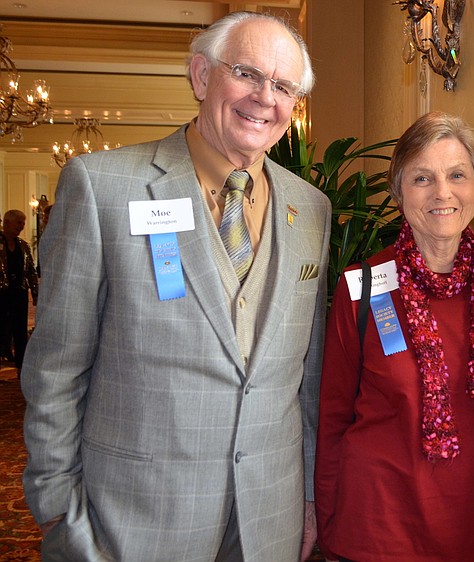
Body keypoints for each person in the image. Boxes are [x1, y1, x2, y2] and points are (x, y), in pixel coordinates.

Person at [21, 11, 331, 562]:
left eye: (283, 86)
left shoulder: (311, 209)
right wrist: (57, 510)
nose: (265, 98)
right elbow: (56, 370)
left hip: (268, 519)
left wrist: (306, 499)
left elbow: (305, 379)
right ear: (200, 76)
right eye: (247, 73)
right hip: (133, 522)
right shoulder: (103, 188)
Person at [315, 111, 474, 562]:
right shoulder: (362, 285)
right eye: (422, 178)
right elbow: (332, 417)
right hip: (382, 531)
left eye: (457, 175)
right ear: (397, 192)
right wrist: (326, 518)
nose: (443, 192)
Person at [0, 209, 38, 376]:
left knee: (20, 327)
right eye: (18, 222)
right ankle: (3, 356)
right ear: (6, 223)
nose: (21, 226)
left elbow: (30, 270)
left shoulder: (23, 245)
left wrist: (35, 292)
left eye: (23, 223)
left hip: (19, 292)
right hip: (1, 292)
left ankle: (21, 362)